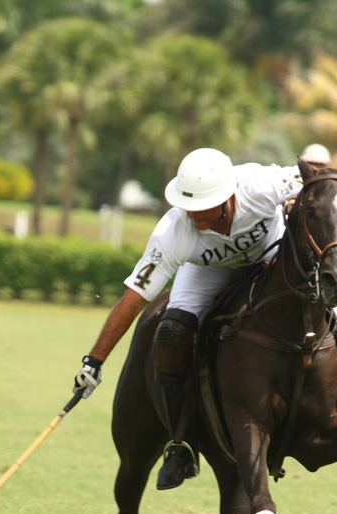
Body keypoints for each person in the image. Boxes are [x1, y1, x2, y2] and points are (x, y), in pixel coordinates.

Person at [74, 147, 303, 490]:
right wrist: (94, 360)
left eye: (201, 207)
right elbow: (134, 297)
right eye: (188, 204)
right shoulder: (173, 231)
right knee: (170, 333)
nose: (192, 214)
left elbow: (321, 185)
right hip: (206, 272)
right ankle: (182, 443)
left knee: (330, 314)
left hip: (271, 257)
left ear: (229, 197)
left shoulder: (260, 184)